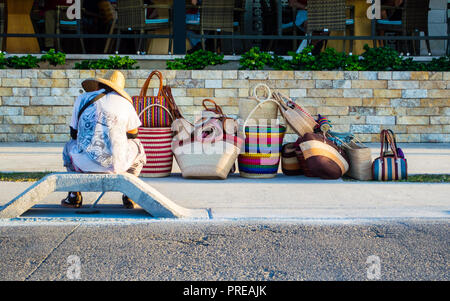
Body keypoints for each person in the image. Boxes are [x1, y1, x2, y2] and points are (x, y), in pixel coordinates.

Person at [61, 71, 146, 209]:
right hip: (117, 165)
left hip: (84, 165)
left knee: (69, 146)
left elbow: (73, 134)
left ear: (98, 85)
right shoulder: (125, 103)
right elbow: (133, 134)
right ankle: (130, 194)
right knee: (138, 146)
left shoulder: (82, 98)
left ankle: (73, 196)